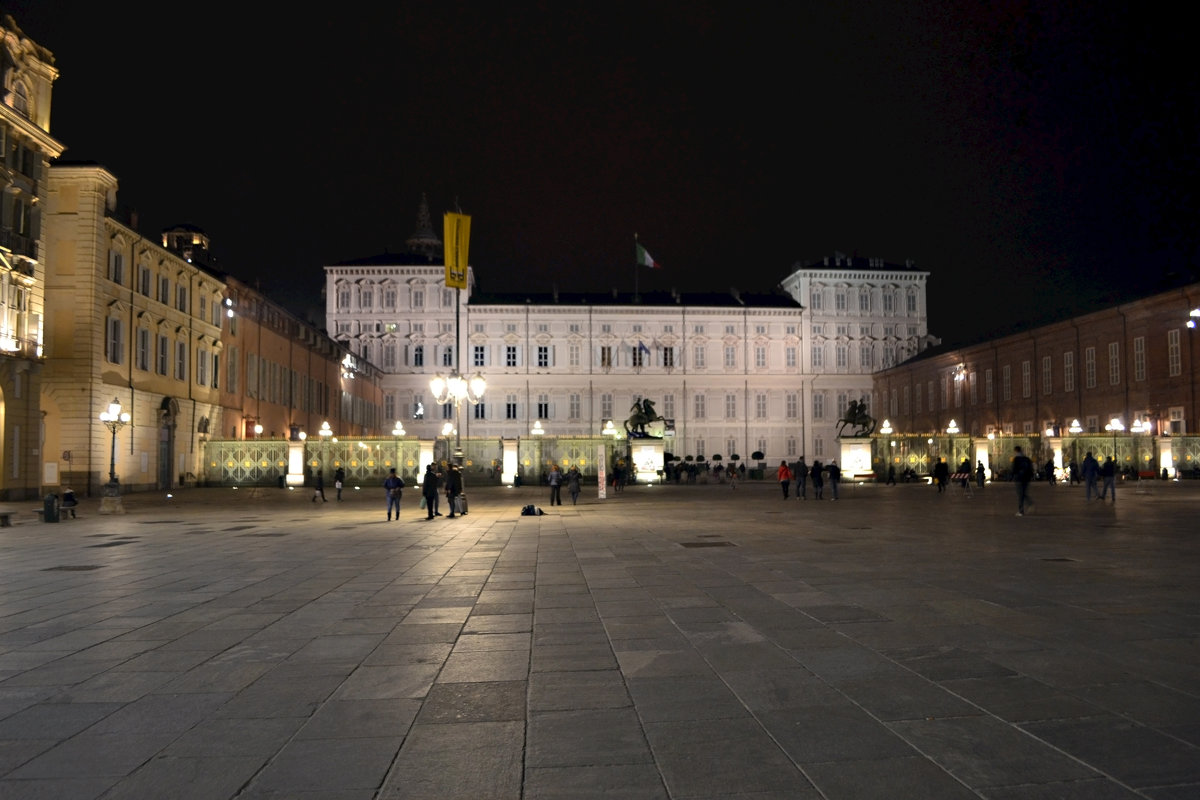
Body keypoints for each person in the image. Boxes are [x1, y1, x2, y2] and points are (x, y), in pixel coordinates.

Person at [1012, 445, 1035, 516]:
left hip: (1019, 478)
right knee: (1023, 493)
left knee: (1020, 494)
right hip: (1026, 478)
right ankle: (1030, 503)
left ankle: (1021, 510)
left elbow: (1014, 469)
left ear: (1016, 451)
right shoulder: (1026, 458)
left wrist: (1013, 476)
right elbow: (1031, 468)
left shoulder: (1016, 459)